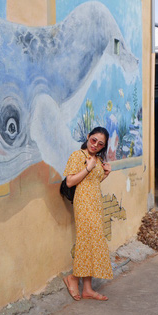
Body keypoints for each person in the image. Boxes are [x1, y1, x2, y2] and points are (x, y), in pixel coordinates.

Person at [62, 126, 113, 301]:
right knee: (86, 241)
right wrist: (88, 168)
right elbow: (70, 182)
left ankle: (88, 289)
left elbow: (93, 181)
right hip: (83, 204)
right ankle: (73, 278)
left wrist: (105, 173)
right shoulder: (78, 156)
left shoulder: (97, 159)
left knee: (92, 242)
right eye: (93, 140)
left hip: (96, 205)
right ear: (88, 136)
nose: (96, 145)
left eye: (100, 144)